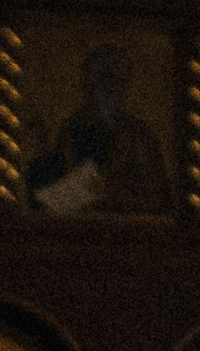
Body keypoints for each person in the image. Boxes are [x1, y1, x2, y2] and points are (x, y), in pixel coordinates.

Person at [25, 45, 174, 227]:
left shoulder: (138, 134)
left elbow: (156, 196)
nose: (112, 88)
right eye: (104, 79)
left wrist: (110, 195)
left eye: (119, 81)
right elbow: (56, 192)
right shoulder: (71, 129)